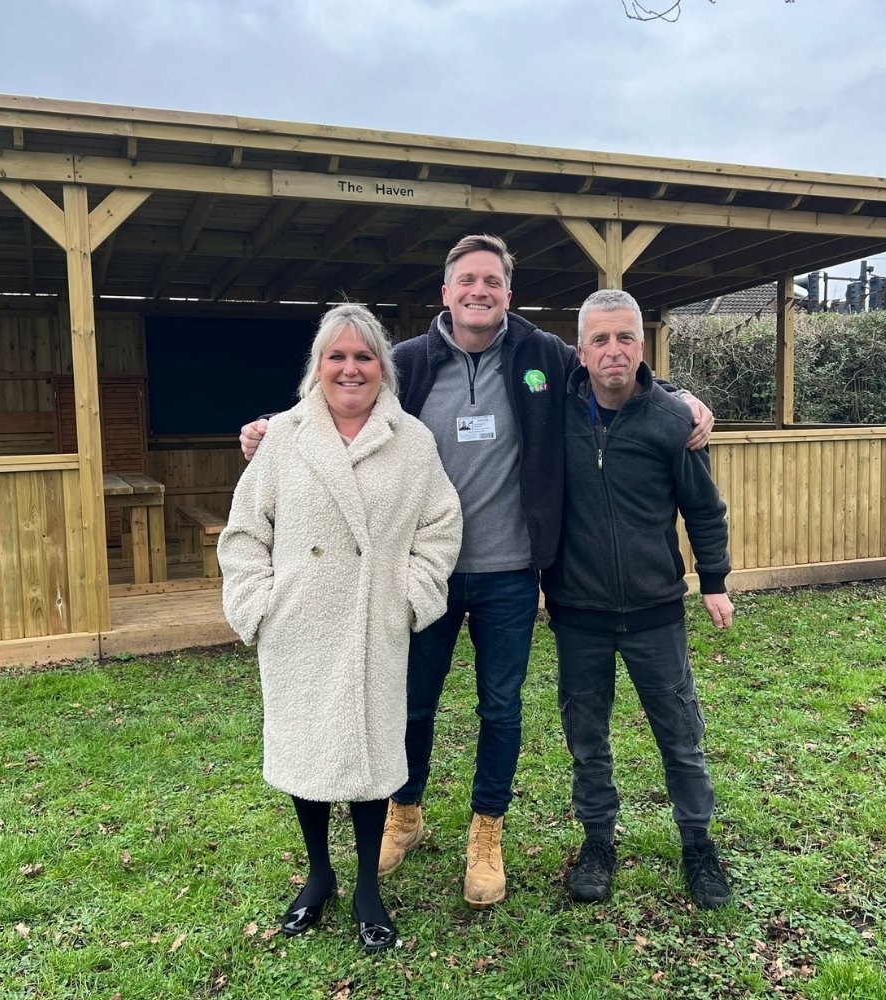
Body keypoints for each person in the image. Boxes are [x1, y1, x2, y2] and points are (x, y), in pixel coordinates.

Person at [238, 234, 714, 909]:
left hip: (512, 572)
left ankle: (486, 834)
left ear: (507, 295)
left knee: (501, 707)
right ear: (447, 292)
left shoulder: (542, 354)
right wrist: (267, 427)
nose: (479, 291)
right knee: (413, 704)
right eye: (467, 281)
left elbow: (612, 370)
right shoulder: (408, 362)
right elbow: (337, 399)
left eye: (492, 281)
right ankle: (405, 814)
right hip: (420, 573)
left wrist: (681, 397)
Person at [218, 303, 462, 952]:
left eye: (363, 356)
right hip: (298, 627)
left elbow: (441, 527)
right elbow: (246, 532)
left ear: (382, 366)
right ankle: (319, 875)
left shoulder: (412, 442)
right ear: (317, 366)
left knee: (373, 756)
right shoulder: (285, 439)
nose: (350, 368)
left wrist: (409, 597)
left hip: (373, 626)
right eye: (337, 356)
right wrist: (258, 606)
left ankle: (366, 889)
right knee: (309, 753)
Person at [541, 288, 734, 910]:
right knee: (587, 738)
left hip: (656, 613)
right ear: (581, 350)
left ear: (642, 345)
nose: (613, 350)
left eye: (625, 337)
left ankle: (699, 845)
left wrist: (713, 581)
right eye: (600, 339)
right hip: (579, 614)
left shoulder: (672, 421)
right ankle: (598, 842)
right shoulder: (554, 416)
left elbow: (704, 510)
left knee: (680, 735)